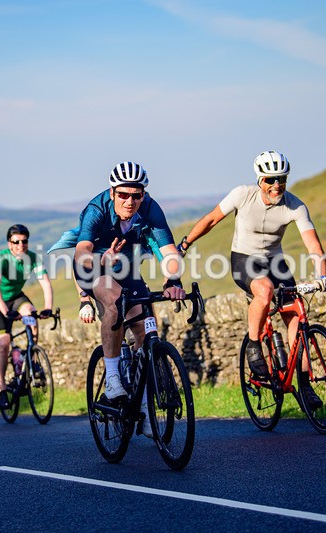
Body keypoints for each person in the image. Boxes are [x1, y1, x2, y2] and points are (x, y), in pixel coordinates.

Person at [178, 150, 326, 407]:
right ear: (260, 180)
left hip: (275, 261)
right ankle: (254, 346)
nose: (277, 185)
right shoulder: (243, 194)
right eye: (271, 180)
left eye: (282, 179)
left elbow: (313, 245)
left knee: (296, 316)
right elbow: (211, 220)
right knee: (264, 289)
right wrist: (185, 245)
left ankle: (305, 385)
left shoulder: (295, 206)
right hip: (244, 259)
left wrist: (323, 275)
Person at [66, 161, 186, 438]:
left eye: (136, 195)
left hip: (126, 268)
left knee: (144, 330)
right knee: (114, 300)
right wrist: (101, 259)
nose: (130, 201)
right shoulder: (97, 209)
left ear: (143, 195)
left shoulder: (151, 208)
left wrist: (173, 280)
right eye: (123, 194)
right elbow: (81, 252)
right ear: (112, 193)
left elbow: (168, 250)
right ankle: (112, 377)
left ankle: (143, 406)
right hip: (94, 267)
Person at [0, 224, 53, 409]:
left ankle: (32, 361)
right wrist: (6, 312)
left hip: (16, 297)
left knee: (31, 315)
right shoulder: (1, 258)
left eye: (24, 241)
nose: (20, 245)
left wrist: (48, 308)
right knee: (3, 343)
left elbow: (45, 283)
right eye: (16, 242)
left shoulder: (33, 258)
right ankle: (1, 387)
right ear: (9, 243)